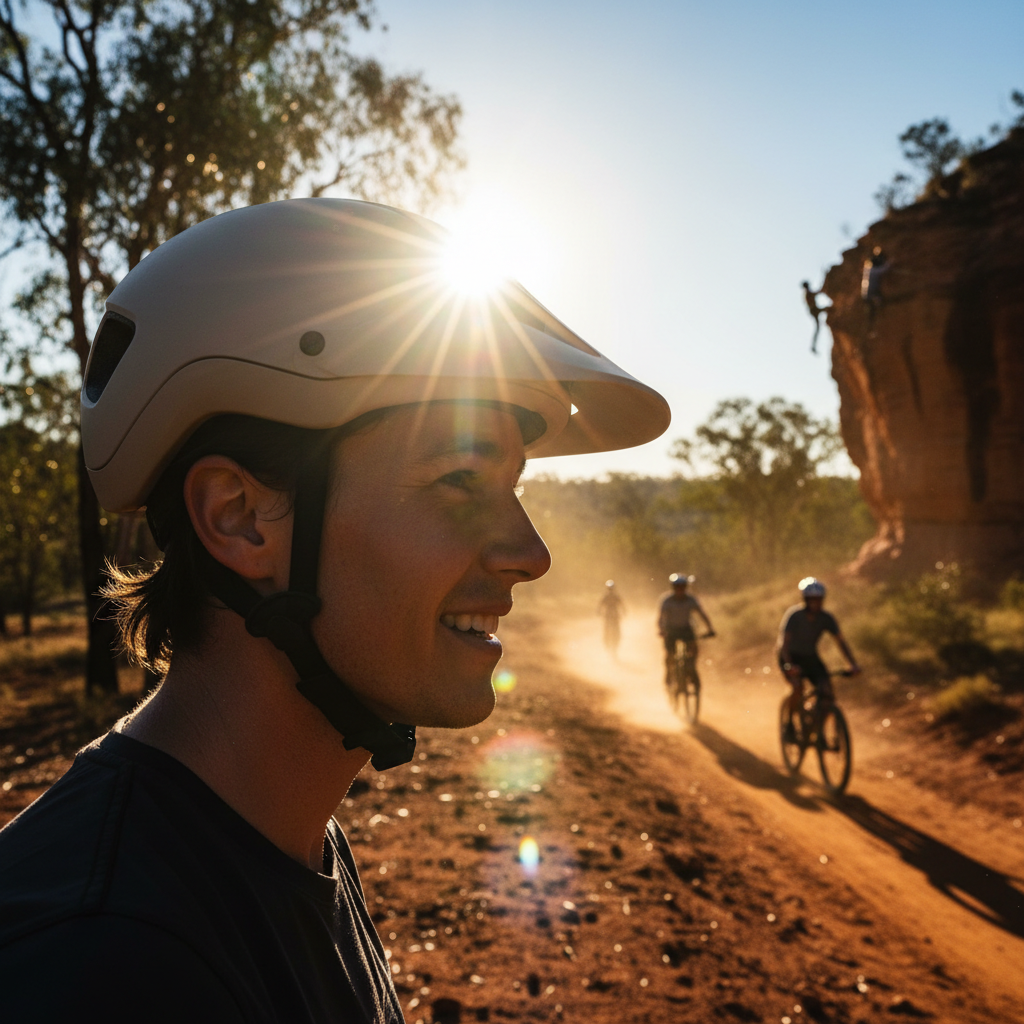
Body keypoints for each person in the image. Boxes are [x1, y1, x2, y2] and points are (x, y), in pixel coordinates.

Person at [0, 198, 669, 1022]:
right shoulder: (97, 961)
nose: (531, 554)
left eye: (513, 488)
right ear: (241, 518)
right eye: (460, 480)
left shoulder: (280, 840)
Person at [777, 577, 860, 739]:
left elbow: (841, 642)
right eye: (811, 599)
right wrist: (789, 666)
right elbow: (784, 645)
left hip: (810, 657)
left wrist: (853, 664)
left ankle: (817, 728)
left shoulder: (826, 618)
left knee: (828, 695)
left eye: (818, 599)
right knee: (797, 687)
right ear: (805, 600)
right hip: (789, 657)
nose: (815, 603)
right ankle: (789, 724)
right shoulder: (794, 616)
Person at [657, 572, 714, 690]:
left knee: (693, 650)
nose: (680, 589)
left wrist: (710, 629)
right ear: (673, 587)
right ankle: (668, 673)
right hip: (671, 630)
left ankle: (691, 669)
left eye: (682, 587)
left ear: (685, 587)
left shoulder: (691, 599)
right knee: (670, 655)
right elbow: (660, 618)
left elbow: (702, 614)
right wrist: (661, 630)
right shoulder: (666, 600)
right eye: (677, 587)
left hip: (686, 629)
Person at [861, 246, 891, 321]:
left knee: (872, 309)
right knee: (875, 307)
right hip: (871, 292)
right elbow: (884, 269)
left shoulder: (868, 270)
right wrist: (890, 263)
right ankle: (882, 317)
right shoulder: (873, 270)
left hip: (867, 293)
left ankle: (874, 322)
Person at [598, 579, 625, 656]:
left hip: (613, 617)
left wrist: (599, 612)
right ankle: (609, 647)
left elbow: (622, 605)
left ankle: (613, 647)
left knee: (614, 632)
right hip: (610, 617)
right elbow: (600, 606)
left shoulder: (611, 596)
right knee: (608, 632)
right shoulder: (608, 596)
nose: (611, 590)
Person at [801, 280, 828, 355]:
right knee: (817, 328)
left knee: (817, 328)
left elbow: (816, 293)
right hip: (814, 310)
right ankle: (813, 346)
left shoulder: (807, 293)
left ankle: (813, 346)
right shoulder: (807, 293)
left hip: (814, 310)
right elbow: (815, 294)